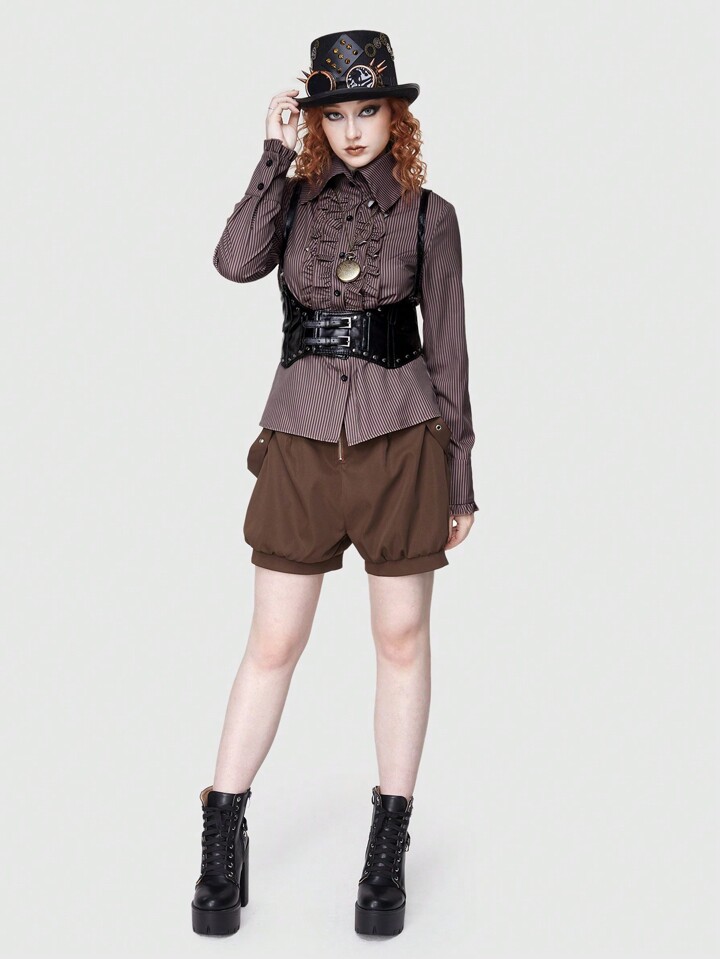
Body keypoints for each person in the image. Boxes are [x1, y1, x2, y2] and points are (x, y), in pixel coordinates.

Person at [191, 29, 478, 939]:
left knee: (401, 640)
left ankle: (387, 846)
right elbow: (233, 262)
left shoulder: (431, 216)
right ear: (316, 119)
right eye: (336, 113)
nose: (353, 129)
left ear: (396, 116)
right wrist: (271, 155)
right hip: (302, 443)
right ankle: (222, 839)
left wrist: (461, 475)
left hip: (401, 444)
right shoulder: (290, 202)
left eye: (369, 109)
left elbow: (450, 350)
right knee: (272, 642)